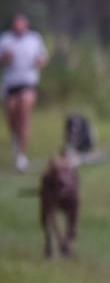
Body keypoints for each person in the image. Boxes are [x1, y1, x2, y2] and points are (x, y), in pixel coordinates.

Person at [2, 13, 50, 172]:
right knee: (12, 118)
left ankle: (22, 155)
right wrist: (5, 59)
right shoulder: (6, 40)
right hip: (11, 84)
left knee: (24, 114)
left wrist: (40, 62)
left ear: (26, 26)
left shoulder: (34, 39)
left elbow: (43, 57)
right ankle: (16, 140)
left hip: (28, 83)